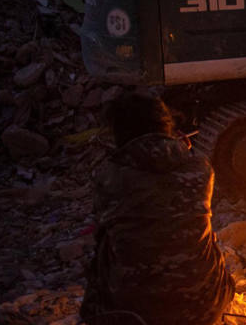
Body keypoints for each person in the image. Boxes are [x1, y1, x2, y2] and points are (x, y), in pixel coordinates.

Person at [81, 92, 234, 325]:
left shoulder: (108, 176)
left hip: (133, 313)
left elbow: (105, 222)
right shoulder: (200, 167)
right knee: (204, 234)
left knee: (105, 242)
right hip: (203, 308)